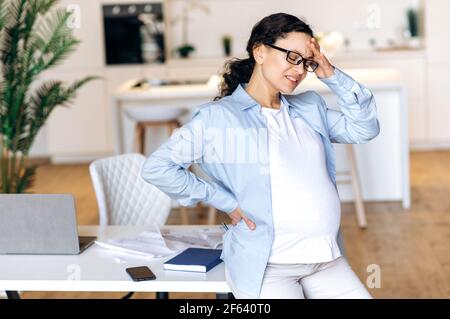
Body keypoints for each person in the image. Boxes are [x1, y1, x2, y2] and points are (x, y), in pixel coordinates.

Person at [141, 12, 380, 299]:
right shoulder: (218, 118)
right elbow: (158, 167)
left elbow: (364, 128)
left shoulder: (309, 107)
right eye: (292, 57)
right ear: (260, 51)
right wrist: (222, 200)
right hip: (268, 267)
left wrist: (330, 74)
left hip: (327, 260)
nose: (300, 70)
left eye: (306, 62)